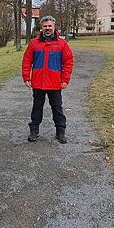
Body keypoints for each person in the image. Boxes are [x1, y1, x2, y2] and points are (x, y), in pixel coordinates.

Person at [22, 15, 74, 144]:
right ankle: (34, 131)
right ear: (41, 27)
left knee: (57, 108)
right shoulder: (34, 43)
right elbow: (27, 60)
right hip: (38, 82)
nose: (47, 28)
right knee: (37, 107)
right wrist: (26, 77)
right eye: (45, 26)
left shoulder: (62, 44)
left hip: (55, 83)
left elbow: (68, 62)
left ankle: (60, 132)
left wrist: (65, 80)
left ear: (54, 27)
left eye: (50, 26)